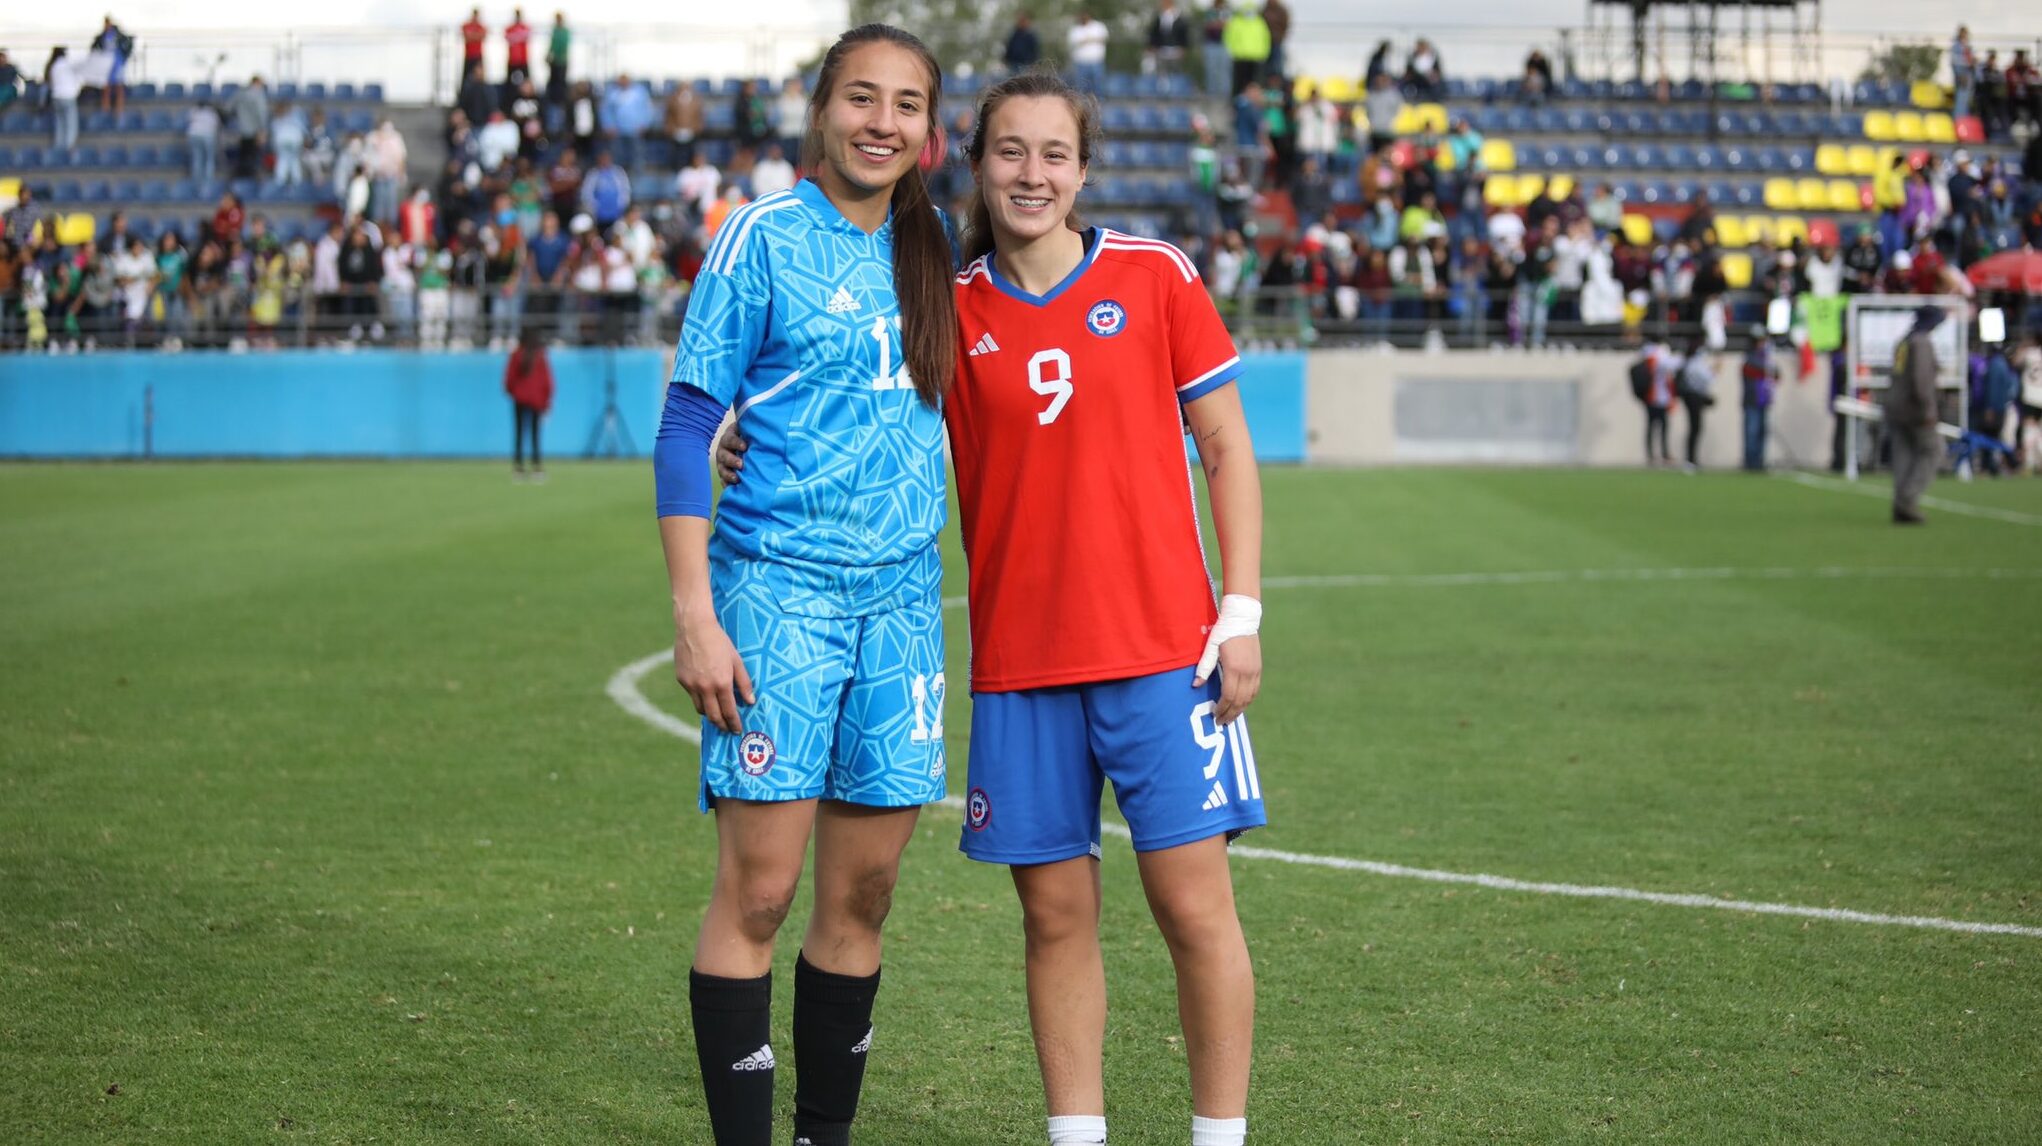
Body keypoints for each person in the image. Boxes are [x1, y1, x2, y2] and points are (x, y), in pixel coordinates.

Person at [651, 24, 958, 1146]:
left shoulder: (944, 259)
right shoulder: (759, 238)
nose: (882, 122)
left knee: (862, 899)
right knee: (763, 895)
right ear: (821, 109)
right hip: (775, 594)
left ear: (929, 130)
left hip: (903, 608)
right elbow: (688, 423)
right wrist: (695, 614)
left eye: (906, 105)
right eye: (861, 98)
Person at [952, 70, 1265, 1146]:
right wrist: (730, 431)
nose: (1030, 174)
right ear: (979, 162)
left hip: (1160, 655)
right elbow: (857, 413)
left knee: (1191, 910)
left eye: (1052, 154)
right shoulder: (946, 315)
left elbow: (1223, 444)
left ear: (1082, 170)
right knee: (1053, 918)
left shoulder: (1153, 276)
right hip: (1020, 665)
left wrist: (1242, 610)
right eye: (1009, 151)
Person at [1885, 305, 1946, 524]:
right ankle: (1908, 499)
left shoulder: (1904, 341)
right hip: (1915, 409)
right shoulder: (1921, 342)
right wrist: (1928, 409)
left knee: (1904, 456)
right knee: (1933, 450)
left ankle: (1900, 503)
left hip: (1895, 406)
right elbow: (1921, 381)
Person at [504, 327, 553, 479]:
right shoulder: (540, 356)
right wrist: (546, 402)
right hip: (536, 400)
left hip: (519, 399)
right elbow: (547, 382)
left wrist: (515, 393)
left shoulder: (516, 355)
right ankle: (537, 467)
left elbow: (509, 379)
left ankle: (518, 468)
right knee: (535, 434)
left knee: (519, 433)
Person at [1740, 330, 1776, 472]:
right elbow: (1760, 370)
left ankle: (1760, 461)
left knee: (1762, 432)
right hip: (1752, 400)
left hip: (1764, 401)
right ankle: (1751, 462)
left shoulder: (1766, 358)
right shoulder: (1750, 359)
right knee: (1751, 431)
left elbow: (1776, 373)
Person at [1066, 10, 1108, 95]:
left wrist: (1088, 40)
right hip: (1081, 63)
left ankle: (1099, 105)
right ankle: (1082, 106)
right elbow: (1072, 43)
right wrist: (1089, 40)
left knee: (1098, 86)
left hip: (1096, 61)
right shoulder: (1075, 29)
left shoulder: (1098, 26)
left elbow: (1104, 38)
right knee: (1081, 87)